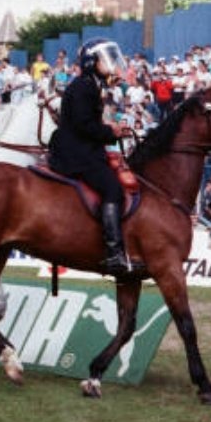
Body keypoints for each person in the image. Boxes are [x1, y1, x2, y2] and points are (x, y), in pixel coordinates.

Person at [47, 38, 144, 278]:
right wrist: (110, 131)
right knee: (112, 189)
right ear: (92, 62)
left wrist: (107, 127)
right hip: (77, 153)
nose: (110, 64)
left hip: (81, 148)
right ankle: (113, 253)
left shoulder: (89, 84)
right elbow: (83, 126)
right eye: (105, 59)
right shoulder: (84, 87)